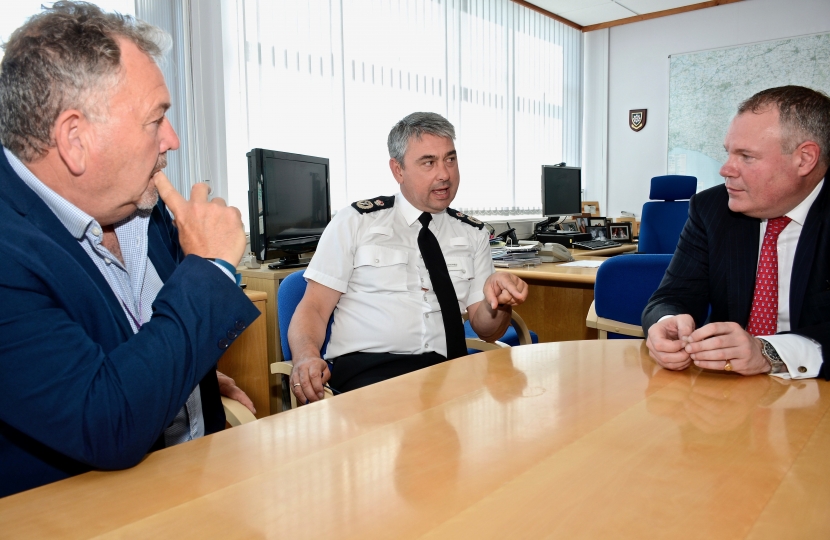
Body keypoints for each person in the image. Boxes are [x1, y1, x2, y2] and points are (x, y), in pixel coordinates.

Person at [0, 2, 260, 497]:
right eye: (156, 119)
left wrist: (189, 385)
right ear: (75, 139)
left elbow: (145, 338)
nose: (174, 139)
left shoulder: (136, 199)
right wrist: (209, 269)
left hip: (199, 487)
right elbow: (105, 422)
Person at [288, 112, 529, 403]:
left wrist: (499, 305)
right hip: (371, 375)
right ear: (398, 170)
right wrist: (305, 357)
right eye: (429, 162)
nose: (445, 174)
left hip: (448, 374)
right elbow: (313, 308)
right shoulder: (356, 222)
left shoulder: (472, 233)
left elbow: (486, 329)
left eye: (450, 159)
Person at [642, 85, 830, 380]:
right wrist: (666, 322)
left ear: (805, 159)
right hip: (726, 390)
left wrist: (769, 353)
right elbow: (672, 296)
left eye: (746, 156)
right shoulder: (711, 207)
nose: (725, 169)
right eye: (728, 153)